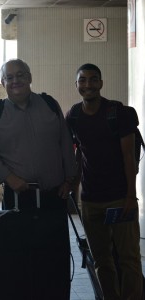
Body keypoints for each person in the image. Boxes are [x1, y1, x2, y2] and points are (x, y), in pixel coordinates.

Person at [0, 59, 76, 299]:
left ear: (30, 77)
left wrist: (70, 179)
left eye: (20, 75)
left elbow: (65, 144)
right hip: (19, 199)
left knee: (54, 263)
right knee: (19, 265)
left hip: (54, 196)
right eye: (9, 77)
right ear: (3, 83)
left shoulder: (49, 104)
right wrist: (9, 178)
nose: (16, 81)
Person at [66, 63, 143, 300]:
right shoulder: (74, 115)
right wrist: (75, 192)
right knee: (101, 259)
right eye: (83, 80)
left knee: (129, 258)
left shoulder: (118, 113)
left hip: (120, 197)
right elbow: (77, 154)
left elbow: (128, 157)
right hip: (91, 200)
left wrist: (131, 196)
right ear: (77, 84)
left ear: (101, 83)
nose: (88, 84)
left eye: (93, 79)